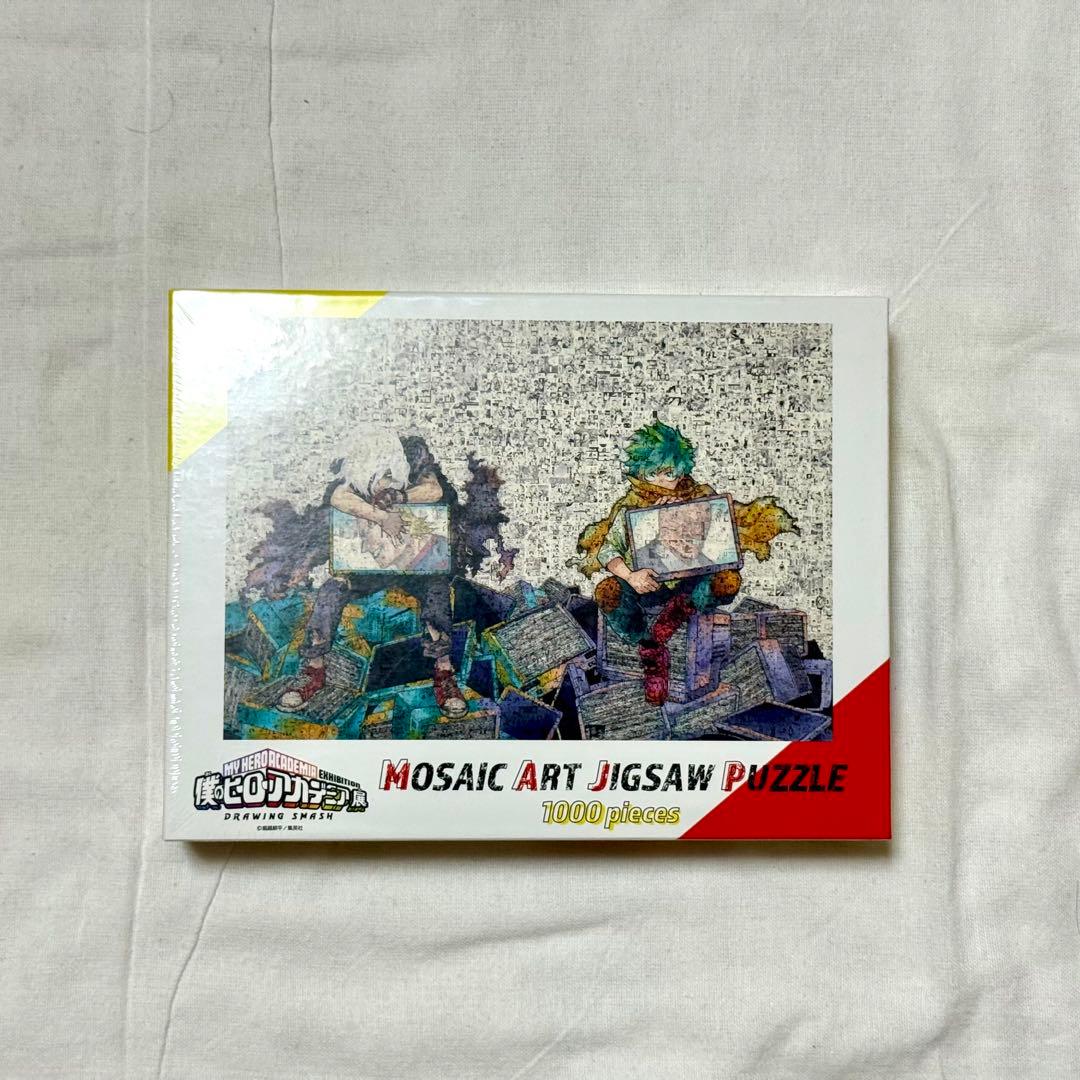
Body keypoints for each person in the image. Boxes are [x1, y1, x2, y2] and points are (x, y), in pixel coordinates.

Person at [278, 427, 467, 718]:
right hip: (367, 571)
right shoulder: (355, 474)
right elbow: (339, 497)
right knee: (332, 589)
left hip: (415, 566)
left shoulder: (414, 456)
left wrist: (399, 497)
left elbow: (434, 490)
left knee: (437, 589)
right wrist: (380, 517)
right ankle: (313, 671)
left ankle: (444, 672)